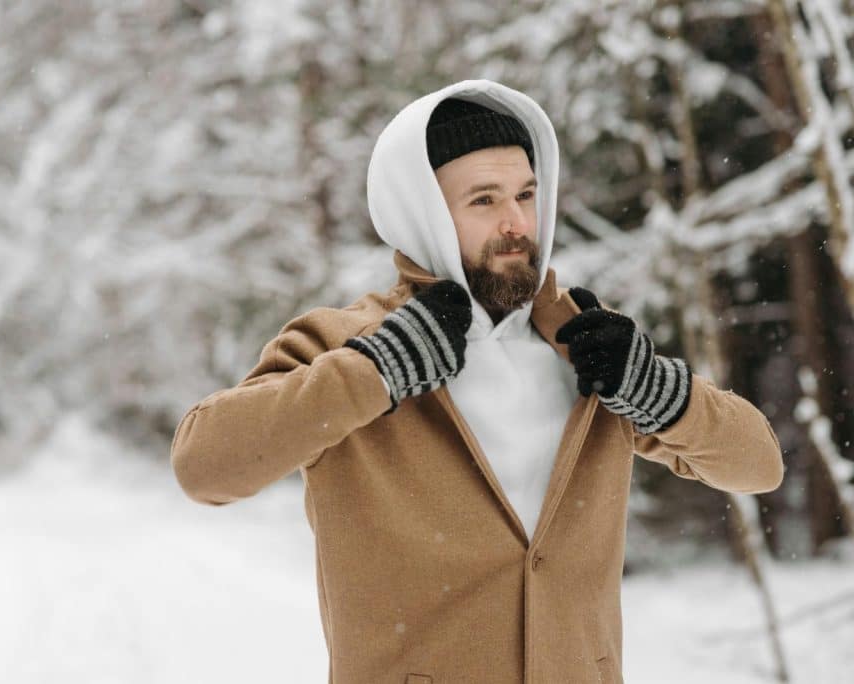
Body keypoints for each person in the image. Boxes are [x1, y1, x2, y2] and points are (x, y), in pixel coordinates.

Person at [171, 79, 784, 684]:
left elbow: (758, 465)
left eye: (526, 194)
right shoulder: (344, 344)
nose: (518, 222)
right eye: (484, 201)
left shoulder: (587, 346)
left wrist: (654, 385)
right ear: (425, 214)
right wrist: (379, 368)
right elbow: (206, 466)